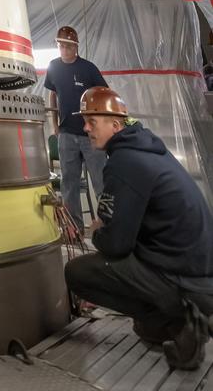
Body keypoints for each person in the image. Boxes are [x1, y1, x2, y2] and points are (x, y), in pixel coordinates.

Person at [65, 87, 213, 371]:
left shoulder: (125, 162)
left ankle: (181, 319)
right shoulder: (147, 147)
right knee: (145, 329)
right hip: (198, 265)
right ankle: (165, 322)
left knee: (77, 272)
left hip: (183, 275)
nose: (85, 128)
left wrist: (97, 230)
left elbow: (116, 245)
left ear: (115, 125)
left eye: (91, 121)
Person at [44, 24, 108, 235]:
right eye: (61, 45)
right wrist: (55, 125)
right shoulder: (53, 67)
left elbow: (103, 93)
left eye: (68, 46)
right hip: (66, 134)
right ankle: (74, 229)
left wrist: (98, 125)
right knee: (69, 184)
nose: (64, 49)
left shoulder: (88, 69)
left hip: (90, 136)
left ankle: (109, 227)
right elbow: (52, 94)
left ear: (76, 47)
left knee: (101, 181)